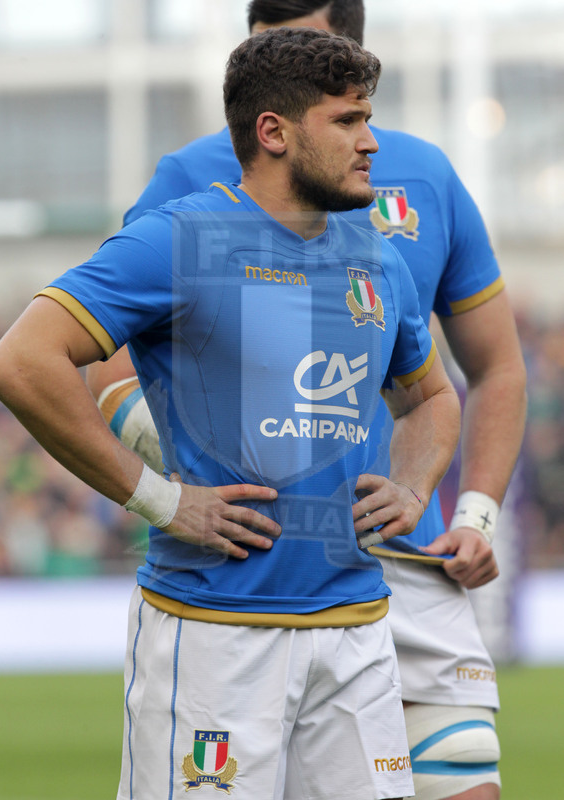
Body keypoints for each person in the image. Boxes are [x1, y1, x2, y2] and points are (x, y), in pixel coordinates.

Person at [0, 28, 460, 800]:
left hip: (359, 633)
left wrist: (413, 484)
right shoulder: (182, 238)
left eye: (368, 118)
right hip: (213, 634)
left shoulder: (378, 257)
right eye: (347, 121)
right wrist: (159, 499)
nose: (372, 142)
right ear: (272, 132)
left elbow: (433, 398)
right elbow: (20, 360)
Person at [86, 3, 528, 800]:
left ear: (350, 49)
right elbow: (88, 351)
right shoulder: (190, 185)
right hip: (246, 577)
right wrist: (174, 481)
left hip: (397, 566)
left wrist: (472, 511)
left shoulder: (421, 175)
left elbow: (483, 373)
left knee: (469, 786)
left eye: (309, 48)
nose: (279, 60)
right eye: (263, 51)